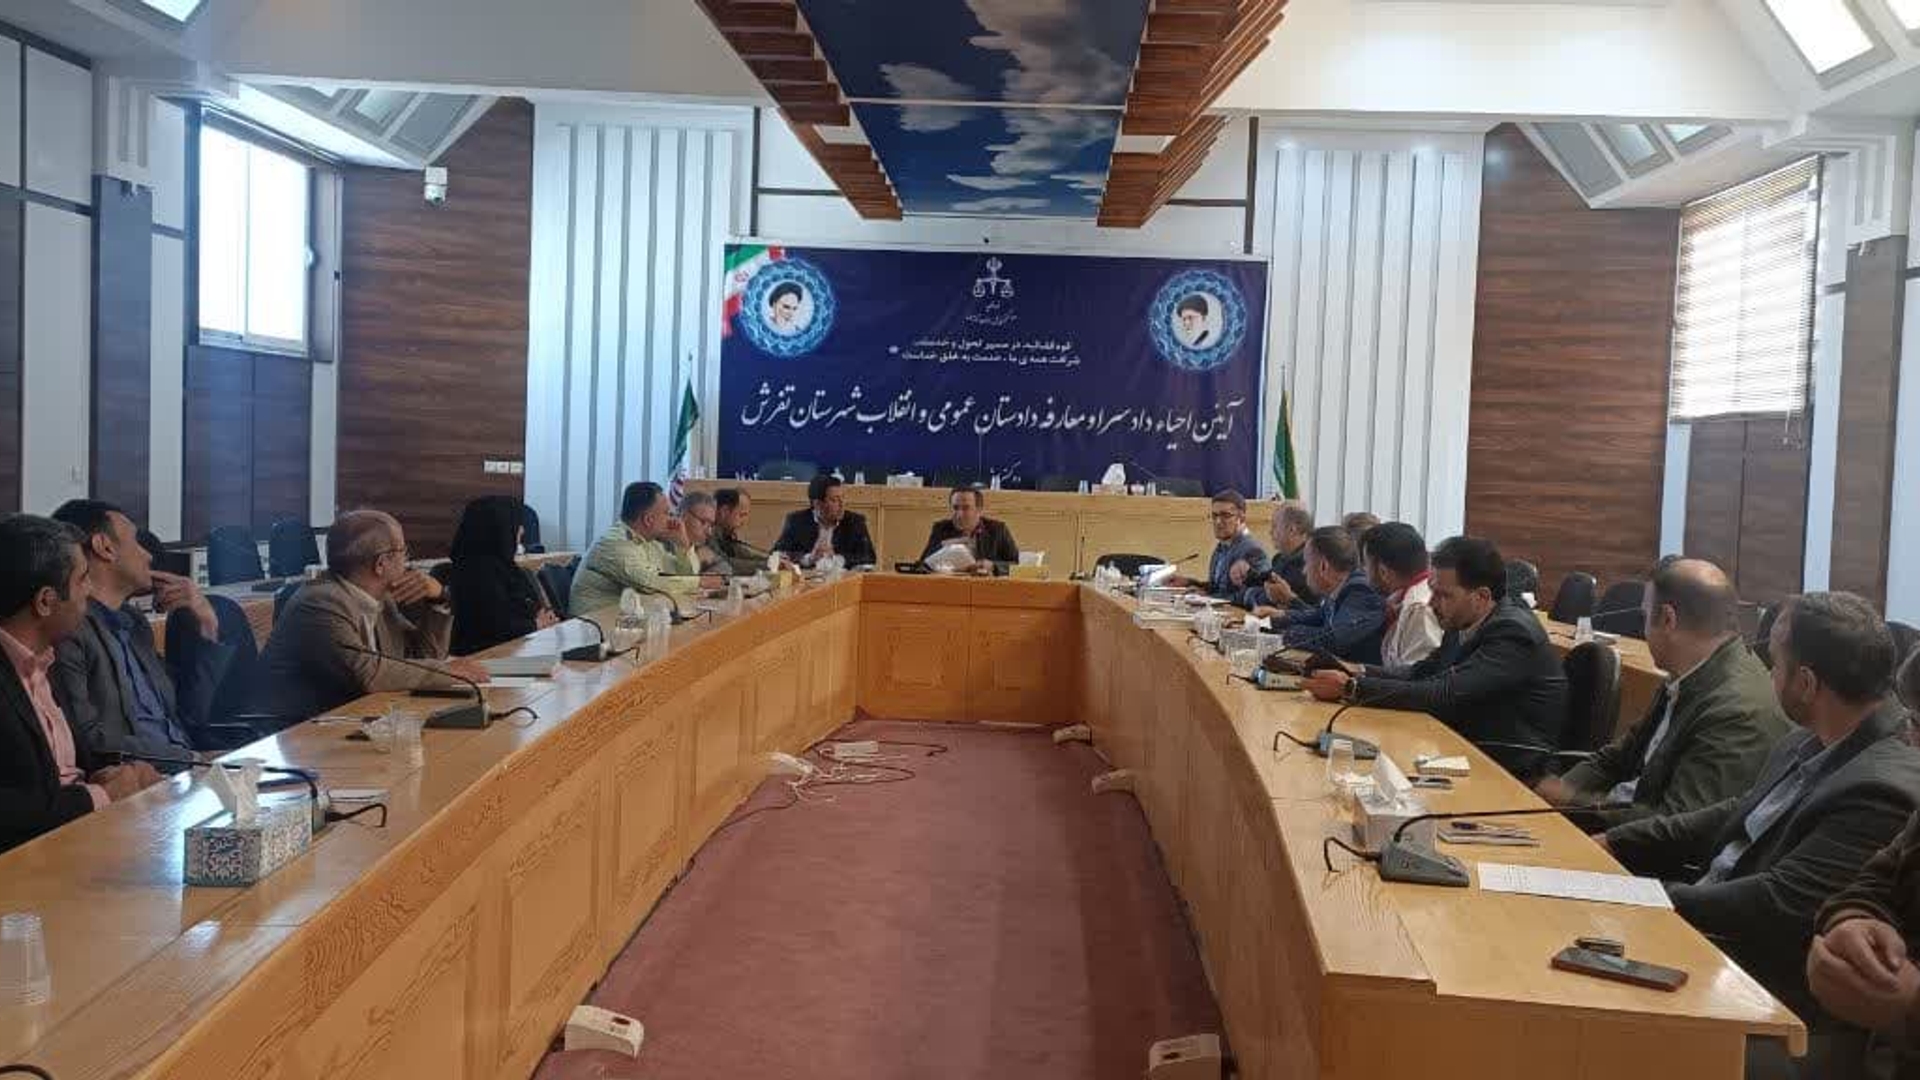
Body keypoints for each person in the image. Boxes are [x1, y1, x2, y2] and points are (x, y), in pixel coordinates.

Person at [1601, 592, 1920, 1023]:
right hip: (1706, 934)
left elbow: (1776, 903)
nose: (1767, 674)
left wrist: (1641, 896)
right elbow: (1740, 811)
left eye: (1775, 662)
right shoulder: (1805, 738)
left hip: (1757, 982)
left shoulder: (1881, 788)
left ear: (1805, 683)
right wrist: (1616, 842)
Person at [1538, 557, 1789, 827]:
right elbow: (1618, 757)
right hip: (1622, 818)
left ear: (1668, 619)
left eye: (1645, 617)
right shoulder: (1687, 672)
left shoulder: (1736, 711)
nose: (1643, 628)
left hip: (1637, 840)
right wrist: (1560, 788)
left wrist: (1572, 801)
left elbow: (1677, 822)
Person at [1303, 536, 1568, 780]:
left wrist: (1352, 688)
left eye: (1443, 595)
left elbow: (1444, 693)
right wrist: (1357, 670)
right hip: (1461, 749)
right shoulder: (1462, 619)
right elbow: (1422, 671)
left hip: (1510, 768)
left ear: (1482, 596)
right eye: (1432, 591)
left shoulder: (1512, 633)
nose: (1431, 603)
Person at [0, 515, 162, 853]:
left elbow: (70, 768)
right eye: (82, 579)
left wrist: (116, 775)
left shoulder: (47, 658)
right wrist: (100, 795)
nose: (89, 591)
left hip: (86, 838)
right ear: (46, 601)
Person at [48, 499, 234, 767]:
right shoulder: (69, 630)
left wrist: (207, 623)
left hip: (187, 769)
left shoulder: (134, 623)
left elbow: (188, 716)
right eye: (136, 541)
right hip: (144, 781)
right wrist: (192, 760)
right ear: (104, 547)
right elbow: (90, 742)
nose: (148, 555)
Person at [252, 510, 488, 719]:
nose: (408, 561)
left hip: (354, 718)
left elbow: (421, 656)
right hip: (297, 730)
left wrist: (439, 599)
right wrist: (448, 671)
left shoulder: (380, 598)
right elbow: (367, 673)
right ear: (381, 564)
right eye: (403, 551)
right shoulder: (320, 603)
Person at [1807, 650, 1920, 1077]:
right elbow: (1873, 883)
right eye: (1914, 722)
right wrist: (1852, 922)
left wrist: (1912, 1004)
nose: (1912, 743)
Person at [572, 482, 725, 615]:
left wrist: (683, 546)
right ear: (648, 519)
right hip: (590, 626)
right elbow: (650, 583)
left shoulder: (649, 542)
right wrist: (700, 582)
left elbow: (680, 577)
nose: (672, 519)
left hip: (623, 620)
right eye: (667, 513)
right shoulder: (614, 543)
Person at [1254, 526, 1385, 664]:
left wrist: (1283, 635)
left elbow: (1332, 640)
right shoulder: (1341, 588)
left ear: (1323, 567)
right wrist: (1274, 619)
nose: (1304, 571)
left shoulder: (1360, 591)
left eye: (1307, 563)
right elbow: (1316, 617)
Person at [447, 495, 557, 656]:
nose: (522, 530)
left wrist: (543, 619)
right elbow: (495, 627)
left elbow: (534, 608)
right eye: (516, 524)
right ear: (500, 529)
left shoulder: (507, 567)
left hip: (519, 649)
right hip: (484, 658)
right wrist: (535, 625)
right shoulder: (473, 573)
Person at [1362, 522, 1443, 673]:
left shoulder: (1420, 608)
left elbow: (1416, 677)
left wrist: (1356, 677)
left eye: (1366, 565)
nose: (1363, 571)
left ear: (1383, 572)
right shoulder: (1402, 599)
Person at [1170, 490, 1269, 601]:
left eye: (1225, 516)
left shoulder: (1253, 551)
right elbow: (1219, 588)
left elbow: (1255, 595)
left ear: (1241, 518)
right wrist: (1190, 583)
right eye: (1214, 515)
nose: (1218, 521)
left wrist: (1209, 598)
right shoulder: (1221, 547)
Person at [772, 474, 876, 568]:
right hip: (807, 580)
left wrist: (837, 558)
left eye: (842, 498)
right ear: (817, 504)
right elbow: (777, 554)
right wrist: (809, 558)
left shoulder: (855, 521)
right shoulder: (796, 521)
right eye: (834, 500)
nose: (842, 505)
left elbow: (869, 557)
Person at [1237, 499, 1316, 612]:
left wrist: (1248, 594)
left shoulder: (1307, 562)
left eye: (1275, 526)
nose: (1270, 532)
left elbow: (1271, 599)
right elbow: (1263, 581)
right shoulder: (1280, 558)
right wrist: (1247, 574)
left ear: (1292, 530)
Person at [921, 487, 1020, 573]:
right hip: (951, 584)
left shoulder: (998, 529)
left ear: (979, 510)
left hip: (986, 585)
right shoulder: (941, 528)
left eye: (966, 508)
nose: (959, 514)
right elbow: (922, 565)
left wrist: (993, 566)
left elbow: (1017, 564)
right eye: (955, 508)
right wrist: (943, 549)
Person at [711, 488, 770, 575]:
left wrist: (772, 559)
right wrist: (768, 564)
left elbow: (740, 551)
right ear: (724, 511)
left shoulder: (724, 531)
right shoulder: (706, 531)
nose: (744, 521)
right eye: (741, 515)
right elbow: (725, 564)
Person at [674, 491, 732, 578]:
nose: (709, 532)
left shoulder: (702, 544)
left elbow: (725, 566)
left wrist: (712, 573)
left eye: (711, 525)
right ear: (683, 516)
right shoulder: (662, 544)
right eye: (703, 522)